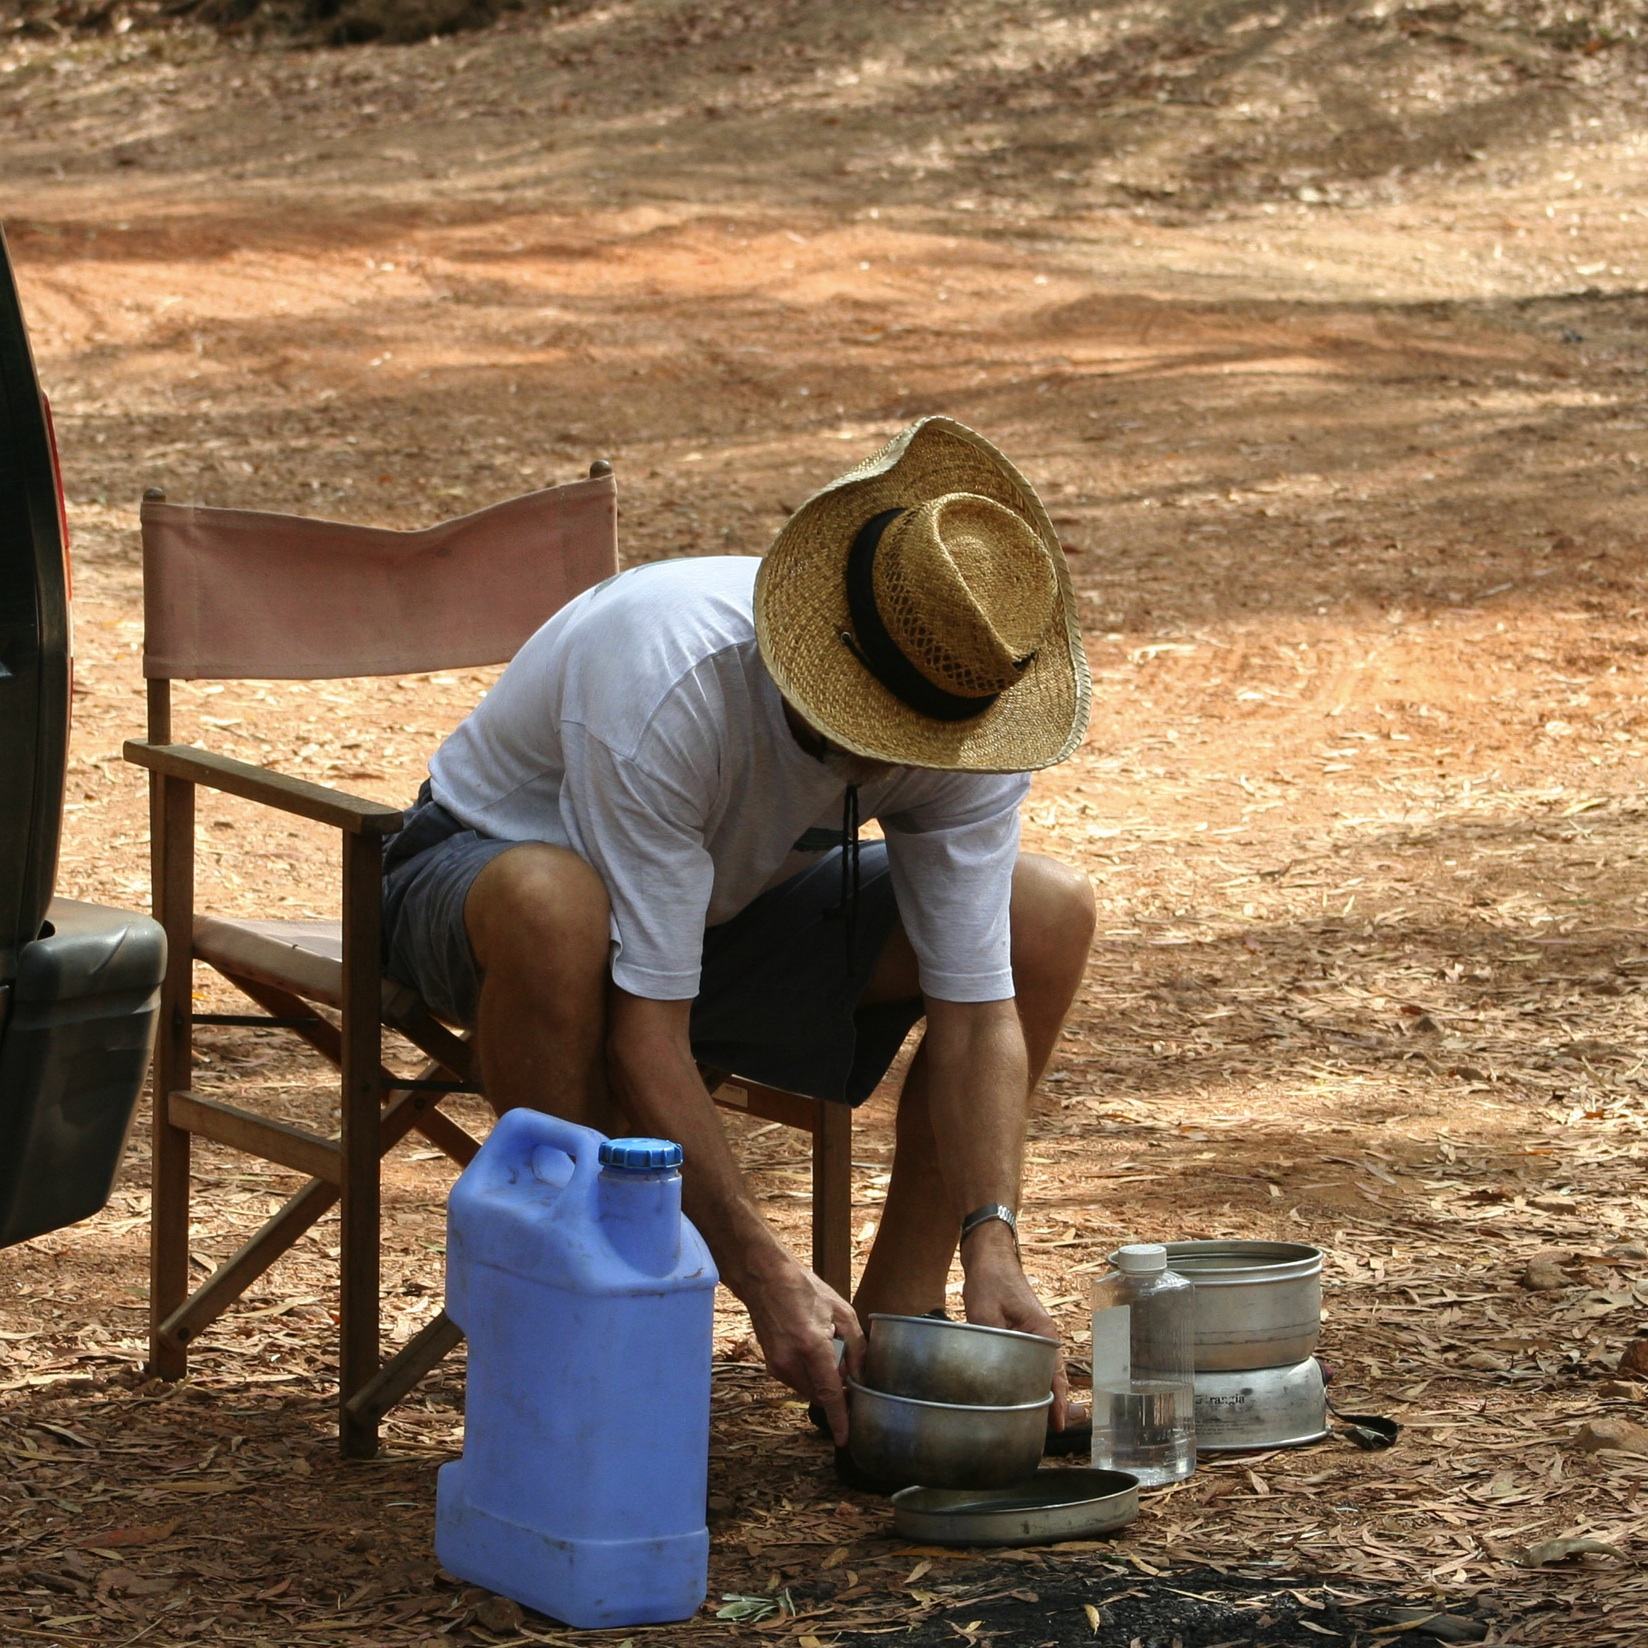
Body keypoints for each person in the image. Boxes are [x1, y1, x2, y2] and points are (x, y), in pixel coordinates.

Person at [381, 417, 1095, 1446]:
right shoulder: (672, 673)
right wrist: (757, 1269)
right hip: (482, 889)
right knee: (557, 906)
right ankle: (578, 1322)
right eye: (875, 729)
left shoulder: (961, 693)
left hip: (726, 912)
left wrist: (997, 1233)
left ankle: (899, 1334)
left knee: (1047, 913)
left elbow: (978, 1011)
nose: (900, 755)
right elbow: (644, 1036)